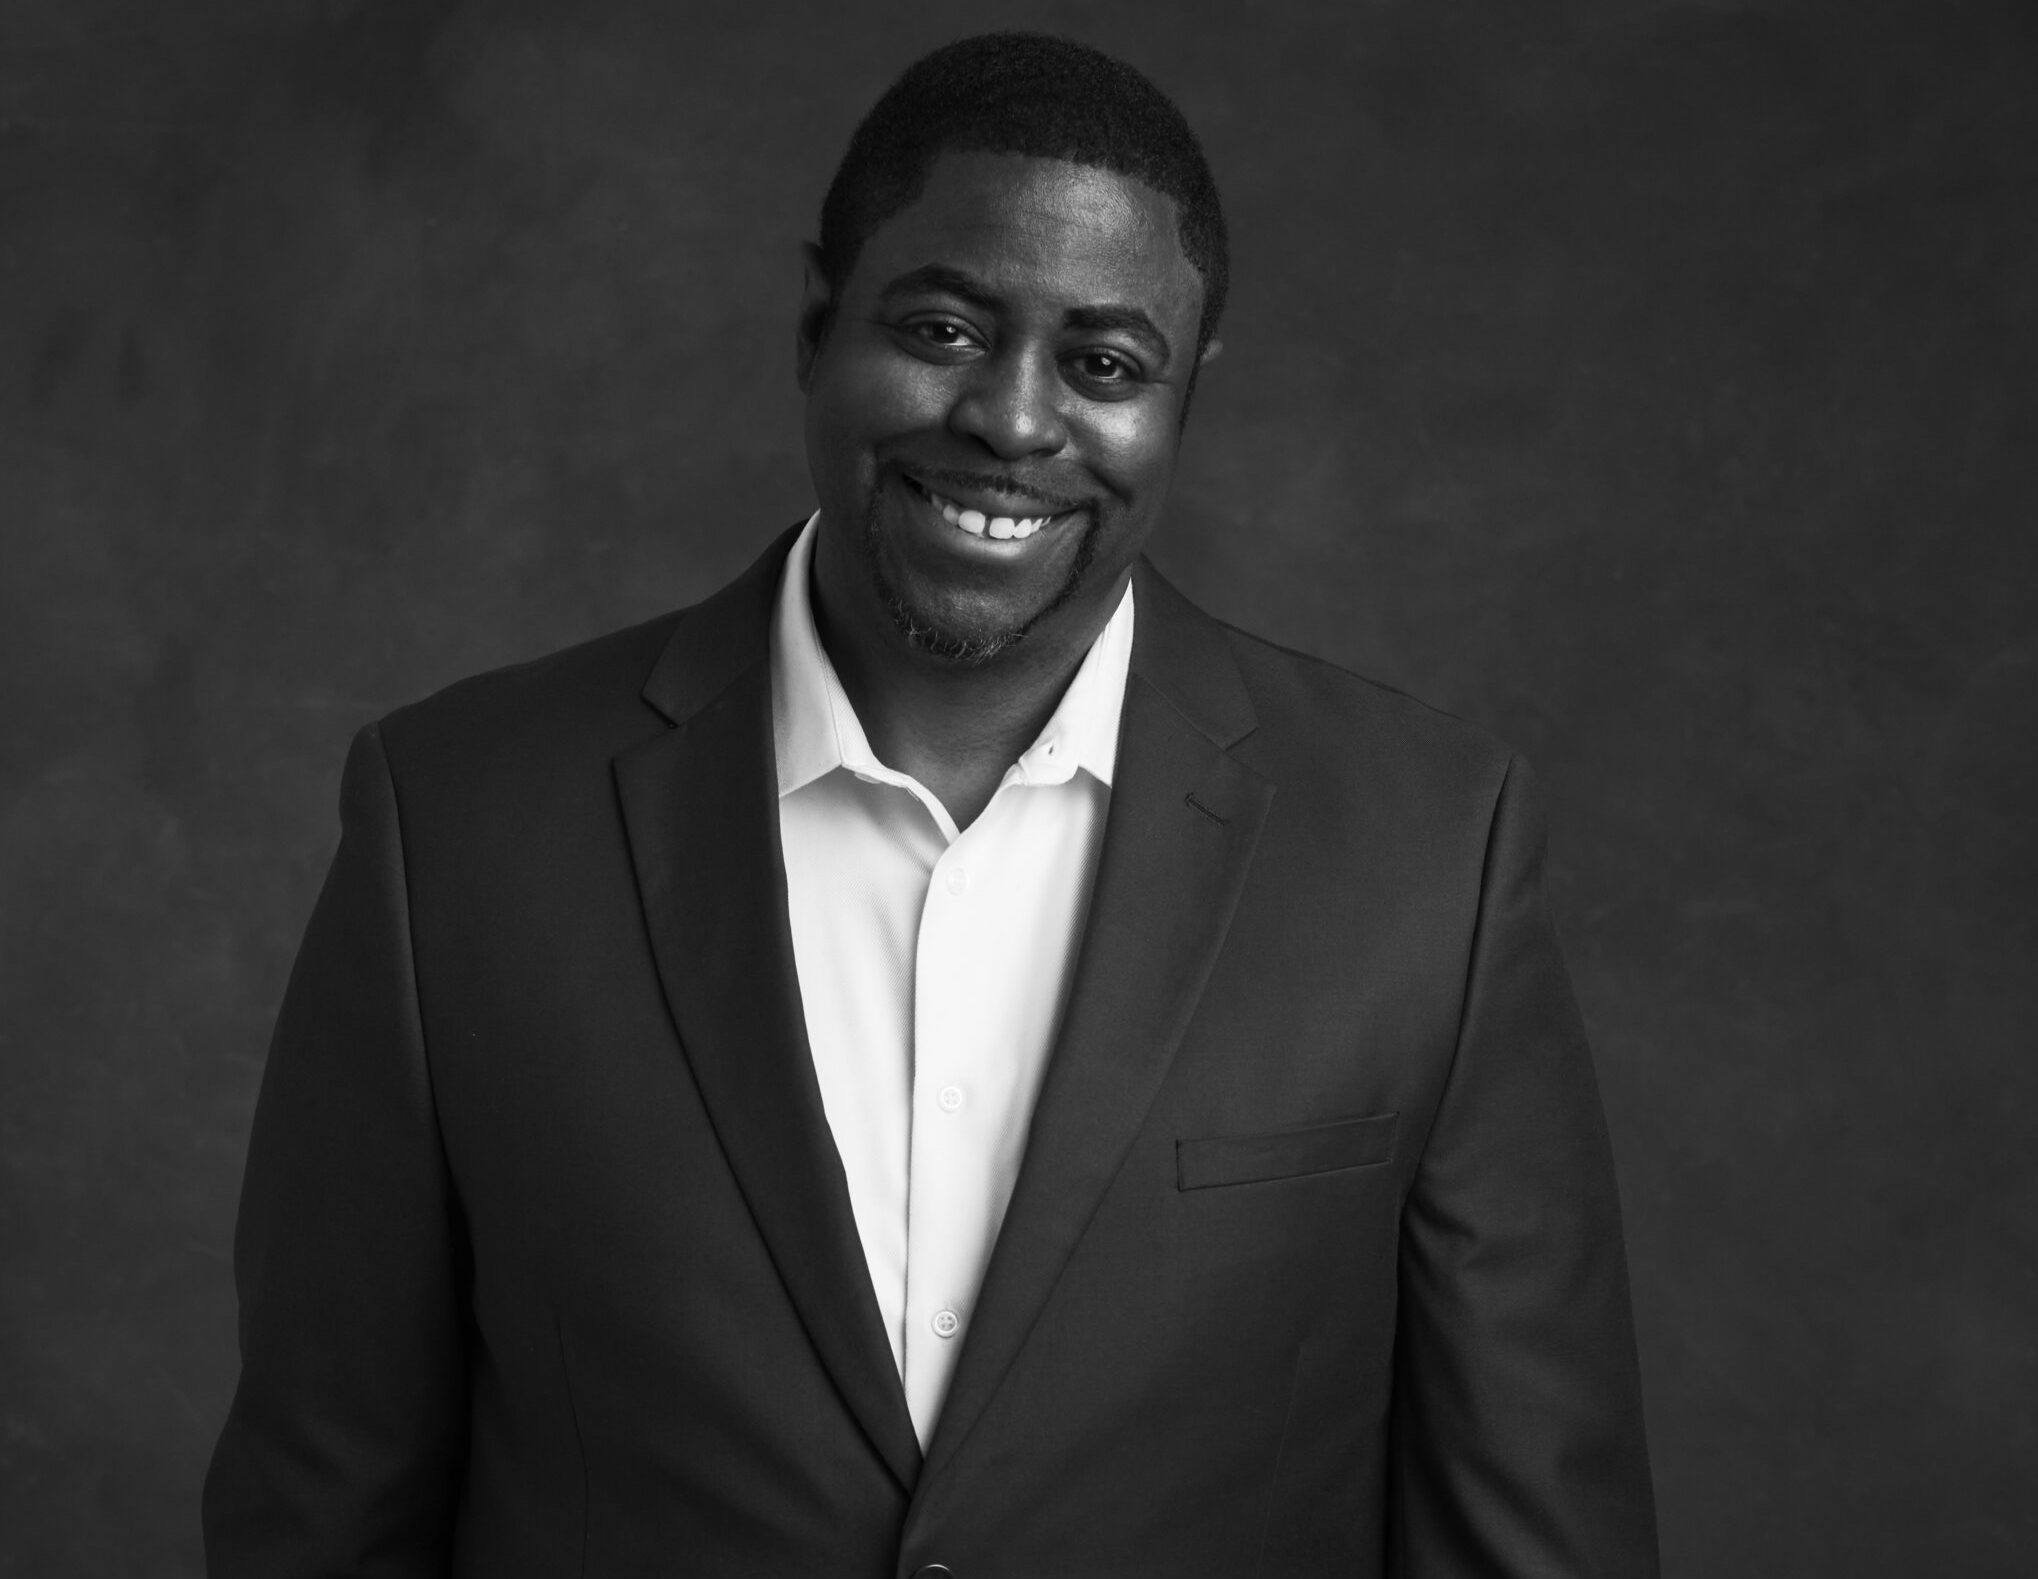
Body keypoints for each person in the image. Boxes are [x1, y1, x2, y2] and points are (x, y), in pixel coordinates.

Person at [204, 31, 1658, 1578]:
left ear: (1182, 394)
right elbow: (324, 1501)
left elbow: (1532, 1534)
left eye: (1102, 364)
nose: (1014, 424)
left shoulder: (1428, 850)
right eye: (946, 328)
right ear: (818, 319)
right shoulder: (458, 824)